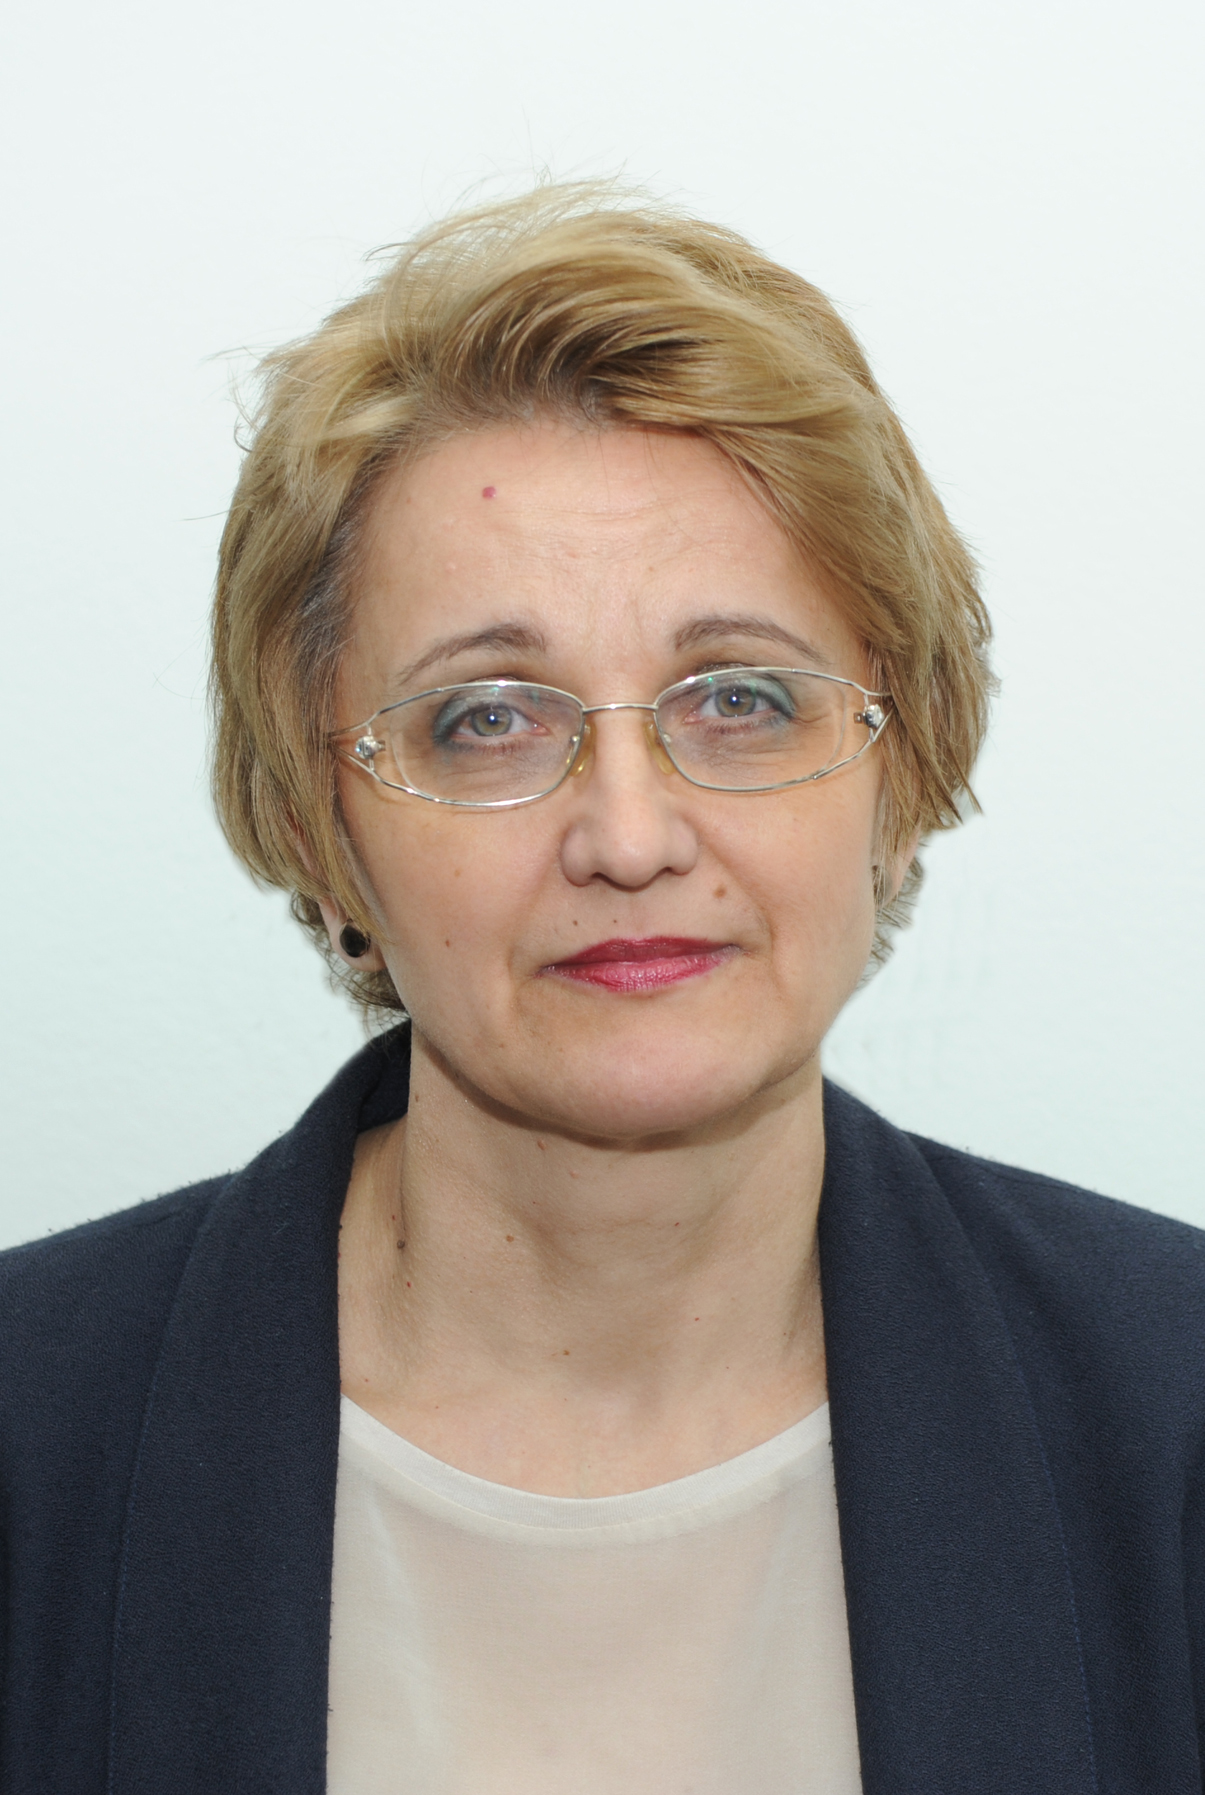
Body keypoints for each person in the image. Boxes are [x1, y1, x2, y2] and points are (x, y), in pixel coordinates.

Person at [2, 186, 1203, 1795]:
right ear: (317, 827)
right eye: (486, 719)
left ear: (900, 777)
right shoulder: (31, 1432)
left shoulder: (1173, 1411)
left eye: (740, 698)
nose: (629, 838)